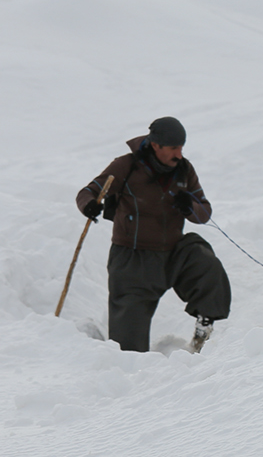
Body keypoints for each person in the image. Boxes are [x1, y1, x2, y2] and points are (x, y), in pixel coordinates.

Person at [76, 116, 231, 353]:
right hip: (132, 263)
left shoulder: (184, 170)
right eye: (173, 148)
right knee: (127, 350)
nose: (179, 154)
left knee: (203, 259)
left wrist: (190, 205)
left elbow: (204, 214)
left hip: (173, 254)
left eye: (181, 147)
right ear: (155, 145)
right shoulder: (125, 166)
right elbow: (88, 191)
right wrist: (89, 205)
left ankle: (204, 328)